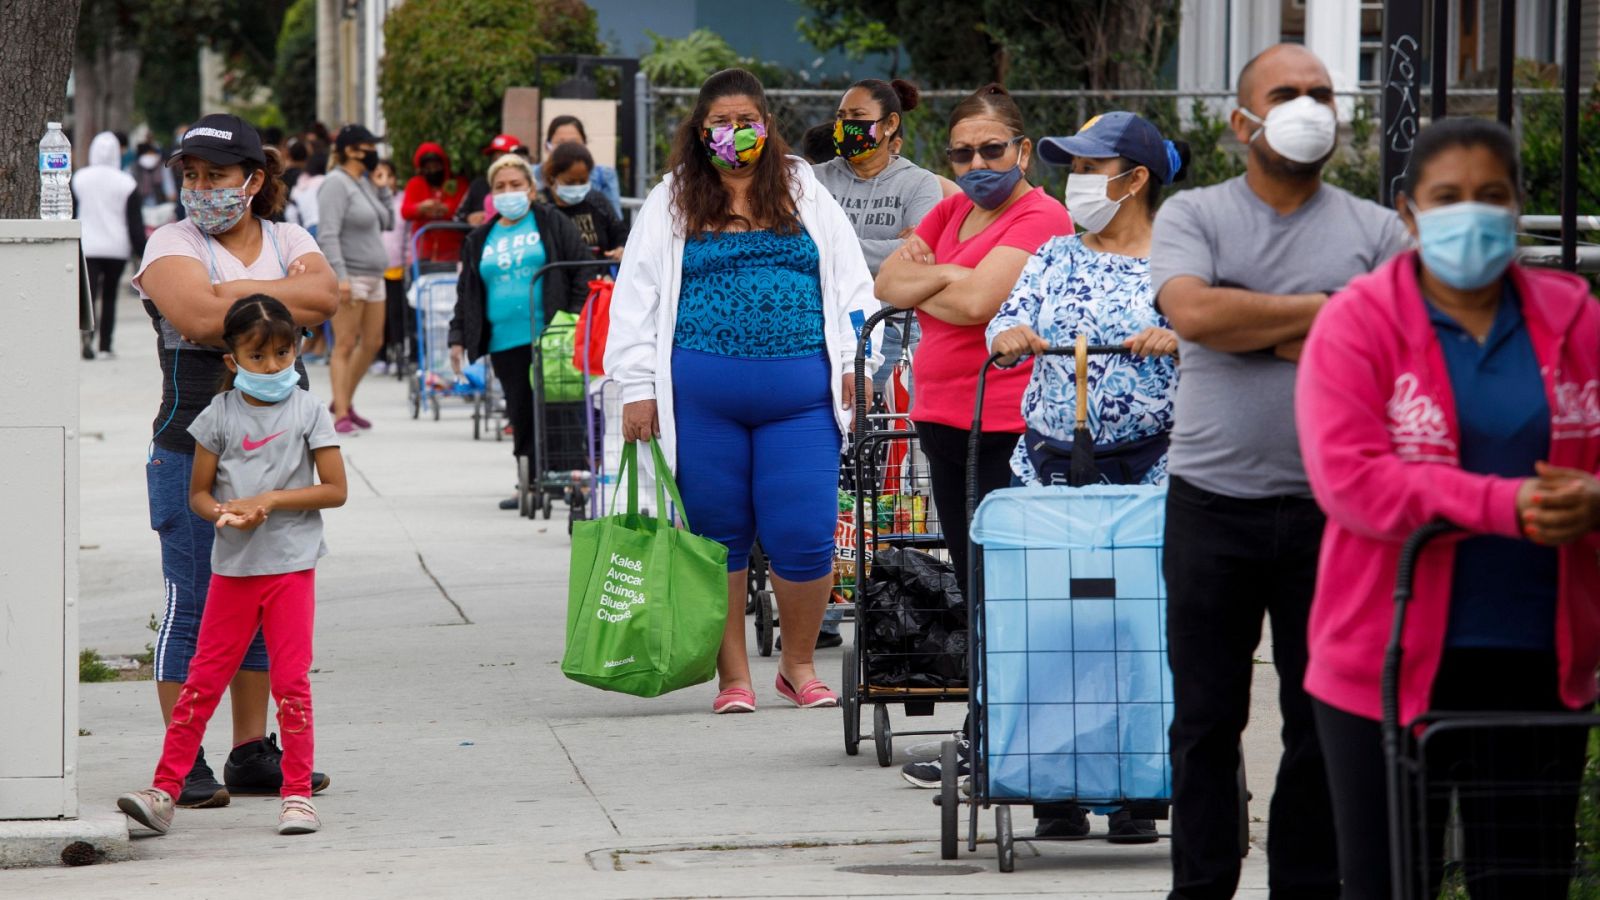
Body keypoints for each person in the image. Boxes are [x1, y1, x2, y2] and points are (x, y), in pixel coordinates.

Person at [1298, 118, 1600, 900]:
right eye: (1448, 197)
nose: (1472, 212)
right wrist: (1508, 503)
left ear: (1518, 205)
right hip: (1383, 665)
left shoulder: (1576, 320)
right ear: (1407, 212)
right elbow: (1354, 482)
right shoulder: (1356, 323)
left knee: (1527, 886)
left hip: (1540, 660)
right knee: (1390, 884)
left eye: (1491, 195)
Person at [1149, 44, 1411, 899]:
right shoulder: (1194, 215)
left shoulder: (1374, 227)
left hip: (1335, 517)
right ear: (1242, 122)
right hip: (1209, 507)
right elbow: (1190, 310)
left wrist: (1245, 319)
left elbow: (1393, 340)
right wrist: (1332, 314)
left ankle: (1306, 887)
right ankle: (1201, 888)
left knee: (1321, 723)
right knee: (1204, 724)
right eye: (1288, 93)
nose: (1310, 106)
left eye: (1322, 93)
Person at [606, 67, 880, 715]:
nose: (735, 134)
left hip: (801, 400)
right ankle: (734, 679)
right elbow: (635, 301)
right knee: (717, 536)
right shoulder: (672, 199)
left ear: (767, 124)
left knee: (806, 532)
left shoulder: (805, 193)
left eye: (746, 121)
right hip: (701, 403)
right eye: (721, 124)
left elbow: (850, 284)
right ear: (701, 133)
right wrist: (636, 387)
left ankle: (798, 665)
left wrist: (856, 361)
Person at [981, 111, 1186, 843]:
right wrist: (1007, 336)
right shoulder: (1055, 255)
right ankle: (1052, 785)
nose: (1078, 183)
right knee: (1054, 625)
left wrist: (1177, 335)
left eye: (1090, 168)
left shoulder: (1178, 261)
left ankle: (1139, 788)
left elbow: (1213, 333)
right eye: (1073, 167)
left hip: (1148, 474)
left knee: (1137, 628)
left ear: (1134, 180)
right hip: (1052, 469)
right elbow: (1007, 320)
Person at [132, 114, 339, 810]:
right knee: (194, 606)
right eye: (190, 174)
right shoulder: (172, 239)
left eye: (215, 175)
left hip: (279, 469)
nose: (199, 188)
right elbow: (192, 317)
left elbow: (327, 296)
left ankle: (251, 751)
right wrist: (278, 303)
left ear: (253, 180)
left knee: (260, 602)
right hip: (190, 455)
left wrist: (232, 302)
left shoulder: (289, 236)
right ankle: (182, 760)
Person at [116, 295, 347, 838]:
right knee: (202, 681)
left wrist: (269, 500)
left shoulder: (310, 412)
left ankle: (296, 797)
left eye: (283, 353)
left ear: (298, 350)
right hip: (232, 572)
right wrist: (222, 512)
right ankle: (165, 791)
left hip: (291, 570)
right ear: (232, 360)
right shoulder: (215, 416)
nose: (272, 366)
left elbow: (335, 490)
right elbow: (199, 493)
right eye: (258, 355)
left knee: (292, 684)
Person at [875, 83, 1071, 596]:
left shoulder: (1042, 215)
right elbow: (886, 284)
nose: (976, 163)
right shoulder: (952, 210)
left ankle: (1009, 677)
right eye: (962, 154)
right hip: (940, 418)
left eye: (992, 149)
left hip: (1005, 425)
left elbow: (977, 305)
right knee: (970, 576)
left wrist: (930, 281)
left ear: (1022, 152)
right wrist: (957, 274)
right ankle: (983, 678)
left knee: (1006, 579)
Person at [811, 77, 943, 647]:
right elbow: (805, 248)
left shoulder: (918, 186)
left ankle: (891, 593)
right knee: (829, 488)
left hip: (893, 353)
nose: (846, 125)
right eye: (841, 115)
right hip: (822, 350)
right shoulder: (817, 181)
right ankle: (817, 604)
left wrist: (840, 254)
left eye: (858, 115)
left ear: (890, 124)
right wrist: (880, 255)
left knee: (889, 486)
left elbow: (917, 263)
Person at [447, 153, 594, 509]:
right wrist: (457, 337)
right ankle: (528, 480)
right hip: (504, 340)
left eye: (516, 185)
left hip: (552, 336)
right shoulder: (480, 238)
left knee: (560, 408)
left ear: (530, 189)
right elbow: (467, 291)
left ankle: (573, 477)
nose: (508, 192)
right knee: (520, 411)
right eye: (500, 187)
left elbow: (581, 269)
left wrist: (571, 318)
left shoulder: (551, 222)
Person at [317, 124, 393, 434]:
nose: (374, 152)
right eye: (368, 146)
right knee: (346, 343)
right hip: (352, 274)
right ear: (351, 150)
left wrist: (382, 187)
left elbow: (387, 221)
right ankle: (341, 413)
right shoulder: (335, 184)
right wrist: (340, 276)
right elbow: (328, 233)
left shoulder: (362, 183)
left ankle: (344, 399)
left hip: (375, 276)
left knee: (373, 341)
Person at [74, 130, 147, 359]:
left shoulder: (79, 178)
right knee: (109, 296)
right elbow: (134, 223)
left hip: (87, 245)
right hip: (117, 246)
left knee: (88, 296)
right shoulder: (126, 182)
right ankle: (106, 346)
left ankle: (87, 335)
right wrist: (144, 254)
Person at [539, 141, 628, 259]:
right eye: (570, 182)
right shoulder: (542, 207)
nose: (577, 186)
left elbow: (620, 234)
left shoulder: (596, 201)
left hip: (599, 275)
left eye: (583, 181)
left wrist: (621, 249)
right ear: (552, 179)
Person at [534, 115, 623, 218]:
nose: (567, 149)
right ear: (547, 146)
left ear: (584, 144)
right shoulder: (531, 175)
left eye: (574, 143)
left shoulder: (603, 175)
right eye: (560, 143)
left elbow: (615, 219)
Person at [403, 141, 469, 264]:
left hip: (453, 252)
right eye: (428, 168)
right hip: (423, 252)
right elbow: (406, 211)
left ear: (444, 165)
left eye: (436, 166)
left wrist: (443, 209)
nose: (432, 170)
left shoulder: (457, 183)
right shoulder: (415, 183)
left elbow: (461, 208)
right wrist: (421, 208)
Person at [373, 159, 409, 369]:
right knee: (378, 315)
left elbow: (407, 233)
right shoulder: (369, 202)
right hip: (374, 268)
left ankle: (398, 353)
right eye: (379, 176)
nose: (385, 181)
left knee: (397, 313)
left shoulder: (402, 202)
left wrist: (409, 260)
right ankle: (380, 356)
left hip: (397, 267)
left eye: (389, 176)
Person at [457, 134, 532, 228]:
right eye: (494, 158)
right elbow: (459, 215)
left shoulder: (530, 189)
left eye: (515, 184)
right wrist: (469, 218)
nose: (498, 163)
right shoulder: (478, 184)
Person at [285, 150, 326, 235]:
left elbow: (290, 212)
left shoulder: (300, 184)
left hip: (307, 229)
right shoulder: (325, 181)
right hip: (324, 226)